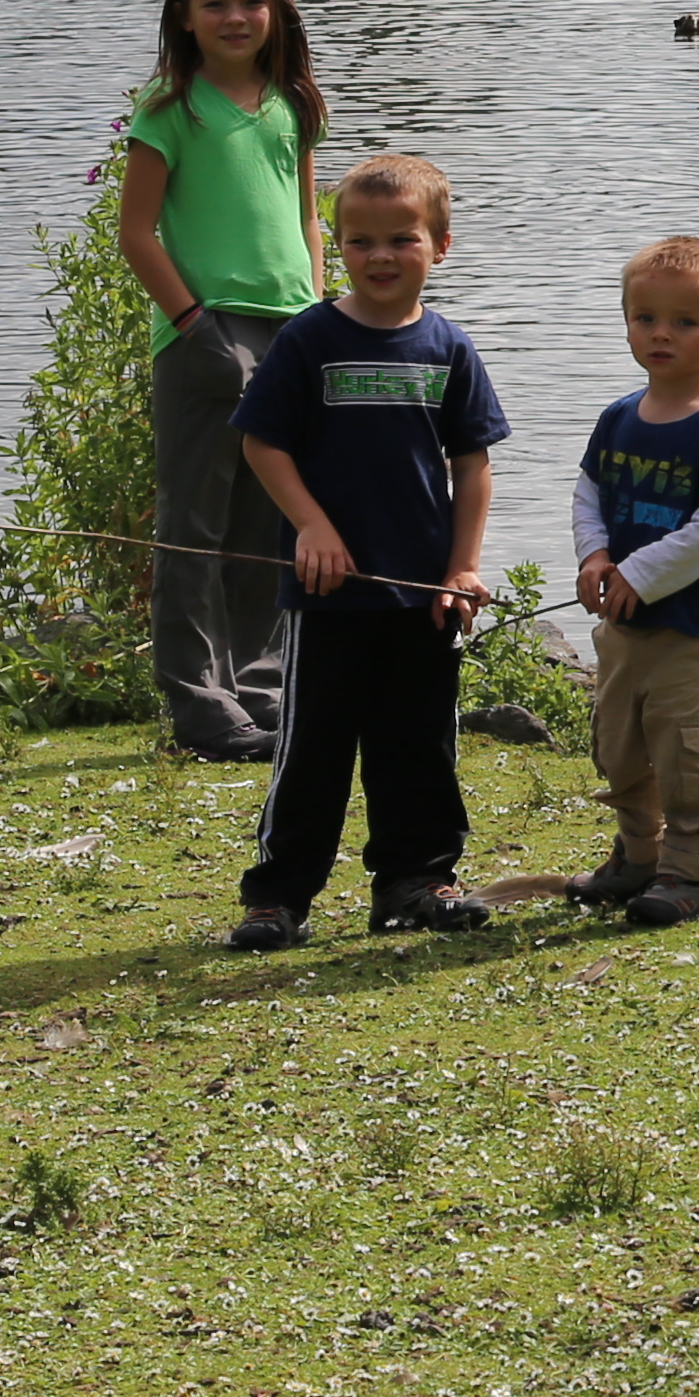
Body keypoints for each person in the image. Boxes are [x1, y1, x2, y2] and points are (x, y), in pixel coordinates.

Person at [222, 152, 509, 949]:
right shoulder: (310, 339)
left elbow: (473, 468)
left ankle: (415, 882)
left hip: (423, 599)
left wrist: (462, 567)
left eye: (402, 239)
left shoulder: (449, 349)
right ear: (336, 244)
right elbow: (263, 447)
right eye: (360, 241)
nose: (380, 256)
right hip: (327, 599)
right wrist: (311, 526)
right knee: (312, 748)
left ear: (440, 246)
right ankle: (279, 896)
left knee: (418, 745)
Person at [119, 0, 327, 763]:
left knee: (267, 523)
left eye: (252, 1)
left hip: (290, 330)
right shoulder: (170, 109)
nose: (236, 16)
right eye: (216, 3)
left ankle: (260, 688)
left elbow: (309, 219)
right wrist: (194, 325)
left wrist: (317, 316)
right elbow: (137, 234)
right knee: (194, 525)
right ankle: (201, 704)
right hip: (204, 334)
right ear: (185, 16)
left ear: (276, 11)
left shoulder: (292, 103)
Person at [568, 234, 699, 925]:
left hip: (692, 632)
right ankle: (639, 856)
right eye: (645, 318)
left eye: (685, 322)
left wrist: (642, 574)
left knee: (688, 755)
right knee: (619, 745)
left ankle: (693, 873)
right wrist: (595, 558)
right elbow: (589, 492)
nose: (661, 334)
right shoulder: (619, 418)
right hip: (624, 628)